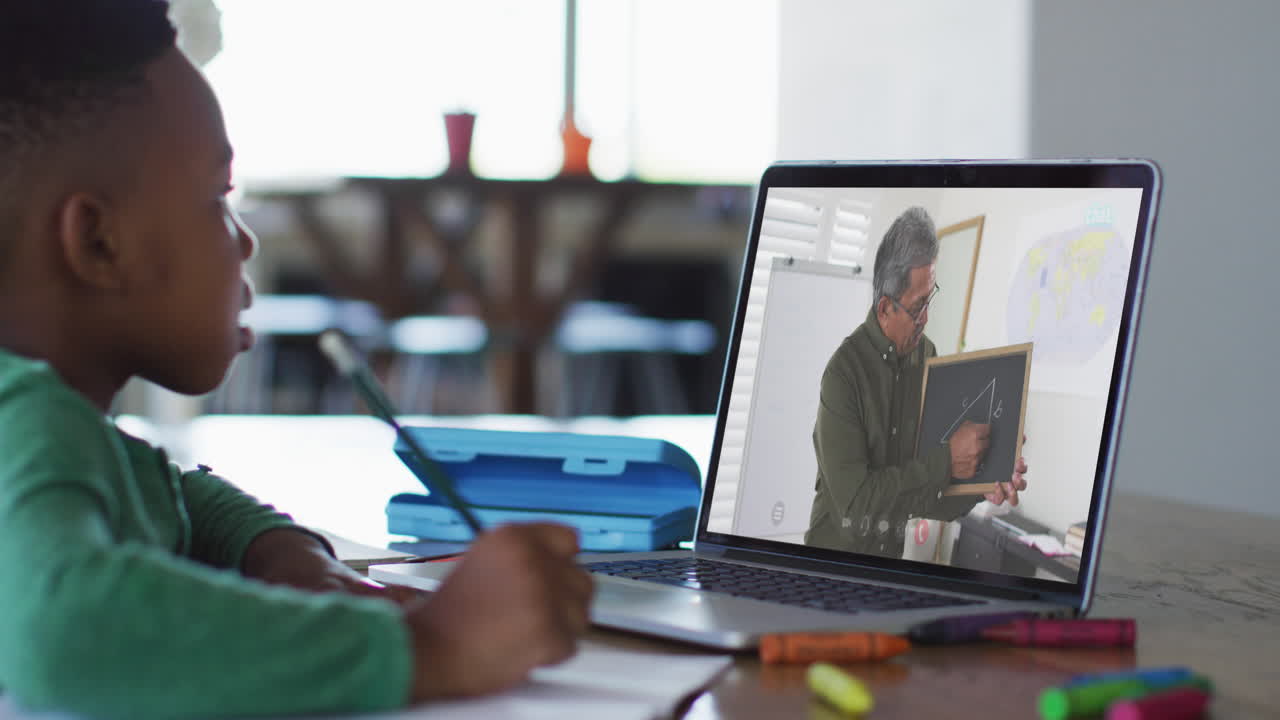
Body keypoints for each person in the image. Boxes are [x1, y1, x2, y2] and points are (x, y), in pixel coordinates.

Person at [0, 2, 591, 718]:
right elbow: (68, 635)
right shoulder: (30, 425)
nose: (244, 242)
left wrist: (275, 549)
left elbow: (171, 493)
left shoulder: (52, 427)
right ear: (97, 243)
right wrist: (435, 648)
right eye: (219, 199)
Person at [805, 206, 1028, 558]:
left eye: (931, 298)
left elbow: (927, 498)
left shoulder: (928, 356)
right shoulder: (842, 375)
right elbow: (858, 505)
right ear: (884, 308)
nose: (926, 318)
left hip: (890, 568)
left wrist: (980, 484)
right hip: (832, 565)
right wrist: (947, 461)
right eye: (917, 306)